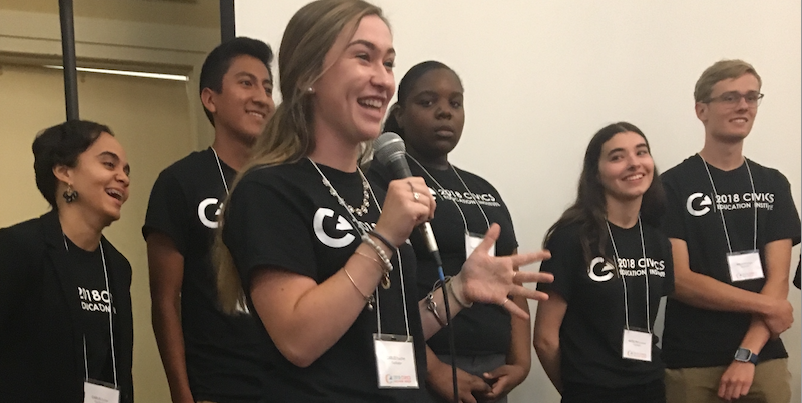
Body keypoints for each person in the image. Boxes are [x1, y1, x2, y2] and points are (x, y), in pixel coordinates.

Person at [212, 1, 553, 402]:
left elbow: (391, 329)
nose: (383, 80)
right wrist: (383, 238)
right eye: (363, 58)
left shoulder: (374, 191)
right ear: (308, 75)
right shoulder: (269, 190)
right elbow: (298, 340)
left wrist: (461, 290)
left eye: (388, 63)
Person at [367, 61, 529, 403]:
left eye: (455, 103)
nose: (445, 112)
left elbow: (510, 277)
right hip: (419, 365)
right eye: (428, 102)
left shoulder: (484, 188)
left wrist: (521, 361)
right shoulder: (381, 182)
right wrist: (432, 369)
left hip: (490, 370)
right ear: (399, 113)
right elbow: (380, 296)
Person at [0, 120, 134, 402]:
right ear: (64, 171)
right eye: (109, 164)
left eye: (125, 170)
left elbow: (117, 371)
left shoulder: (116, 266)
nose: (123, 178)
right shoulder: (18, 249)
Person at [143, 37, 275, 403]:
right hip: (218, 385)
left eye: (267, 87)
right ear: (210, 98)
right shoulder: (180, 181)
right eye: (246, 83)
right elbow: (165, 301)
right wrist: (182, 395)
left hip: (291, 383)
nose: (262, 98)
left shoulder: (285, 184)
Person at [660, 59, 800, 403]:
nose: (743, 106)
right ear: (701, 110)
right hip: (692, 361)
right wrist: (770, 307)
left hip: (761, 356)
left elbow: (778, 280)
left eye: (752, 97)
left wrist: (746, 354)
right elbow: (680, 280)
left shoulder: (773, 183)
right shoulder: (671, 186)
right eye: (731, 97)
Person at [533, 122, 672, 403]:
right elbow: (545, 338)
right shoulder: (571, 238)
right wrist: (577, 391)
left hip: (649, 386)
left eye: (641, 152)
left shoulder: (657, 239)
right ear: (596, 173)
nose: (634, 164)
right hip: (592, 391)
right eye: (618, 157)